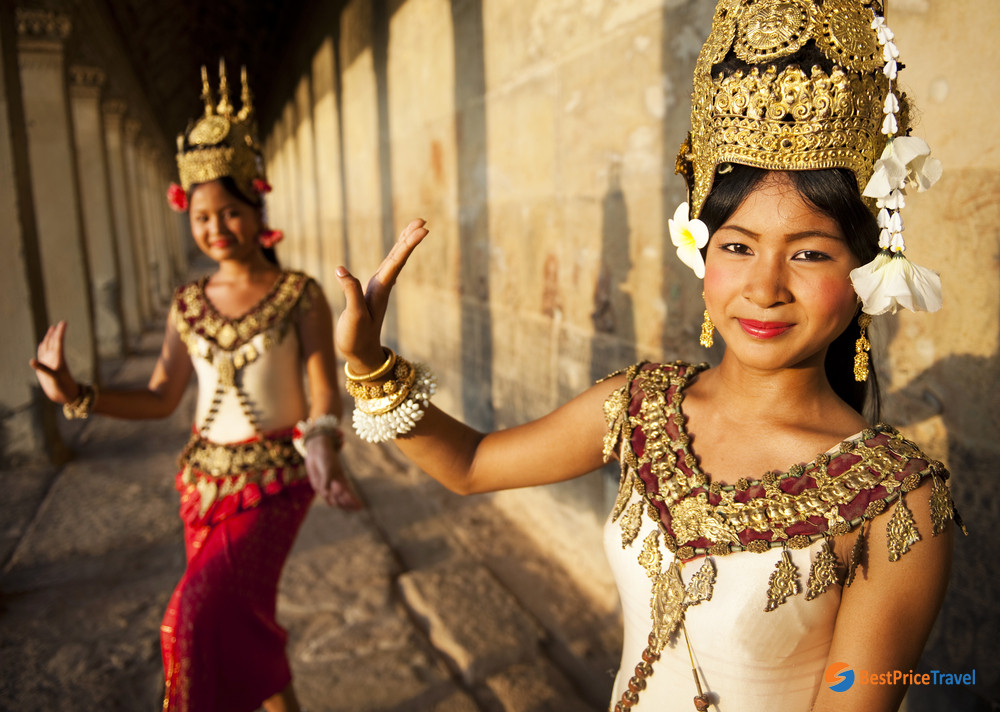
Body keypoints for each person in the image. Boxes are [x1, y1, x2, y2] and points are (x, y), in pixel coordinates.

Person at [333, 2, 962, 711]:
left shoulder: (895, 501)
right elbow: (472, 466)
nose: (764, 287)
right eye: (737, 245)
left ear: (866, 272)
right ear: (701, 253)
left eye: (810, 252)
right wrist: (369, 363)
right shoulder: (640, 407)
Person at [30, 62, 361, 712]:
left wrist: (323, 444)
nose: (215, 229)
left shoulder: (301, 294)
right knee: (242, 619)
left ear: (255, 205)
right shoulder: (187, 302)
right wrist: (76, 392)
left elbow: (325, 390)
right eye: (202, 216)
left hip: (273, 484)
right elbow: (159, 396)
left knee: (189, 620)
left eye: (230, 212)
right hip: (200, 484)